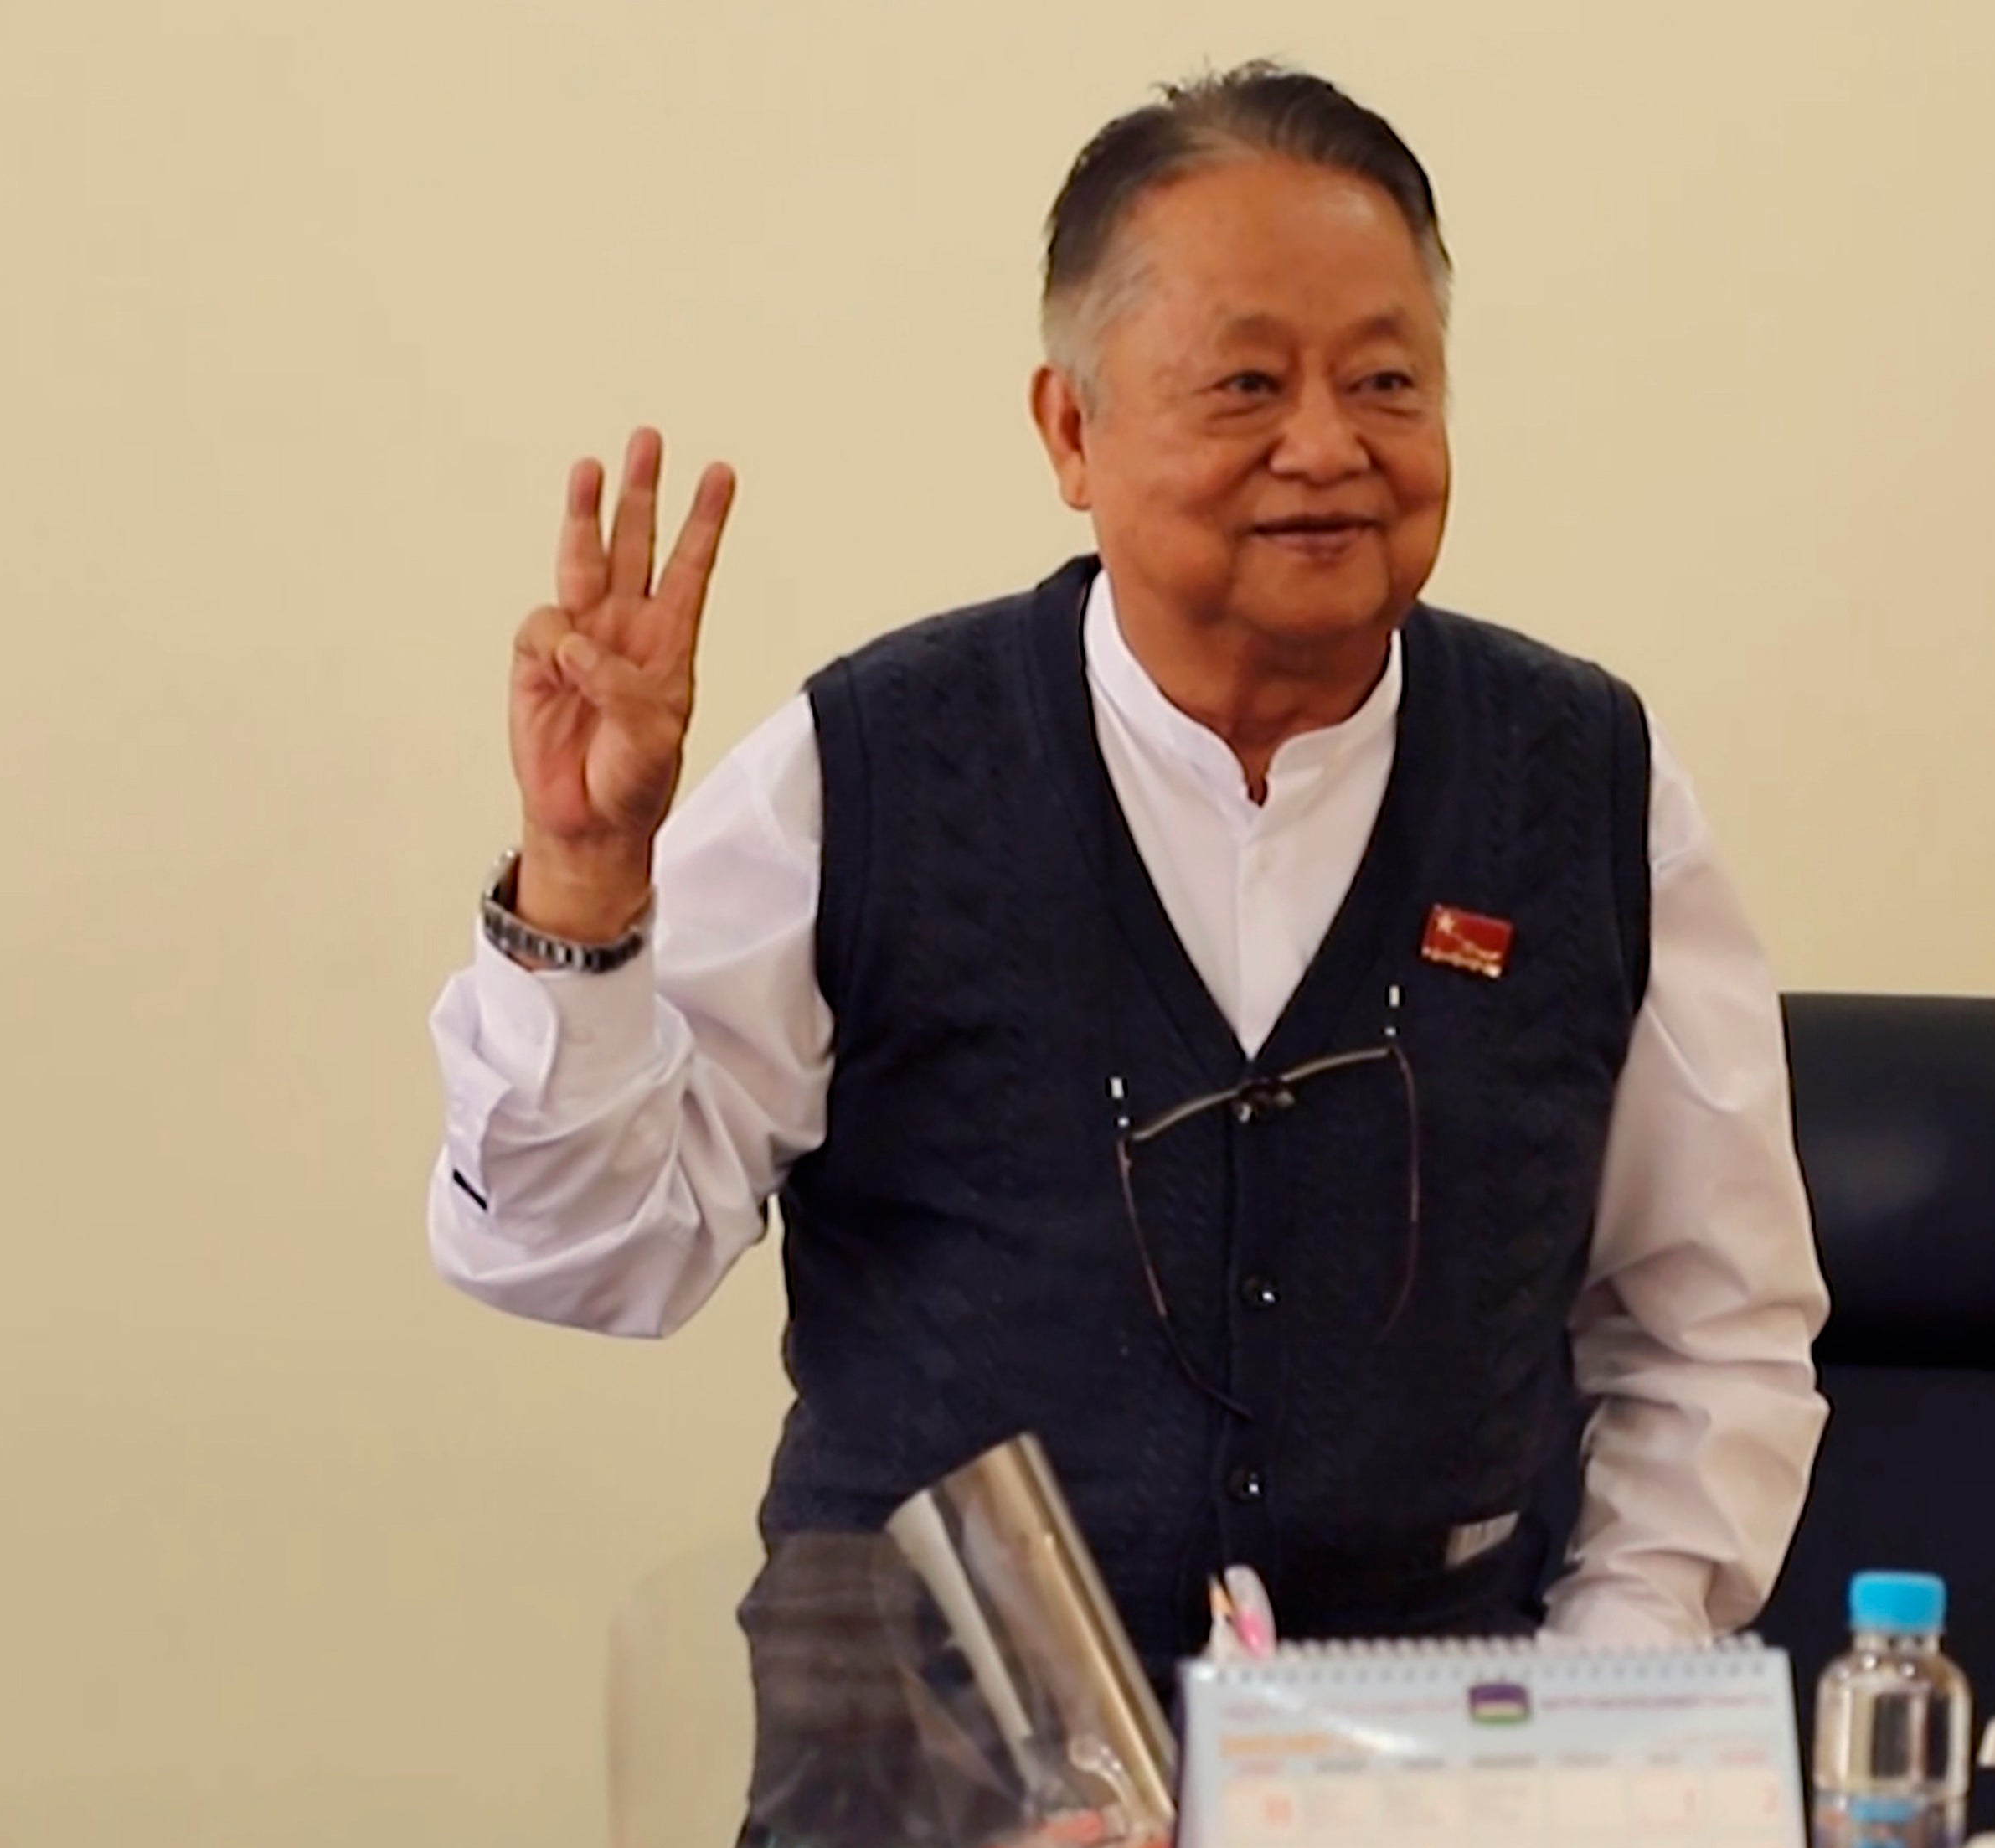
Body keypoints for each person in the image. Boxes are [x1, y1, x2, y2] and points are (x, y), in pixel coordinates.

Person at [427, 63, 1828, 1694]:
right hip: (922, 1836)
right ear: (1069, 428)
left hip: (1422, 1810)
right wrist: (585, 877)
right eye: (1243, 385)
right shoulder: (867, 766)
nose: (1326, 446)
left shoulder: (1586, 785)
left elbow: (1713, 1326)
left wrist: (1581, 1696)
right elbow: (575, 1253)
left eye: (1384, 381)